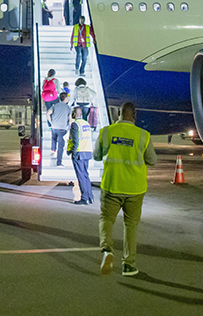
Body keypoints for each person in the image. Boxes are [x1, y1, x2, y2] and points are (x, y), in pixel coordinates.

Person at [94, 102, 157, 277]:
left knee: (106, 219)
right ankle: (128, 265)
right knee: (131, 227)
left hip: (112, 186)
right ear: (134, 116)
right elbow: (152, 160)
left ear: (118, 114)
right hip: (135, 189)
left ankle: (107, 250)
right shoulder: (143, 135)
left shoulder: (106, 132)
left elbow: (96, 156)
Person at [67, 107, 94, 205]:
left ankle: (84, 198)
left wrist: (72, 152)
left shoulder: (75, 124)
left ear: (74, 114)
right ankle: (90, 197)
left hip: (79, 152)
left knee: (81, 176)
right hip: (87, 151)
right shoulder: (86, 123)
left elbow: (75, 140)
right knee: (86, 175)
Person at [46, 92, 72, 166]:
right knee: (61, 146)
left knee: (54, 138)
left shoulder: (55, 105)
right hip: (62, 128)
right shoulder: (68, 108)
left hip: (54, 127)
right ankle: (59, 162)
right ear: (66, 98)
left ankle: (53, 150)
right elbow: (70, 120)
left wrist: (51, 122)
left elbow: (47, 114)